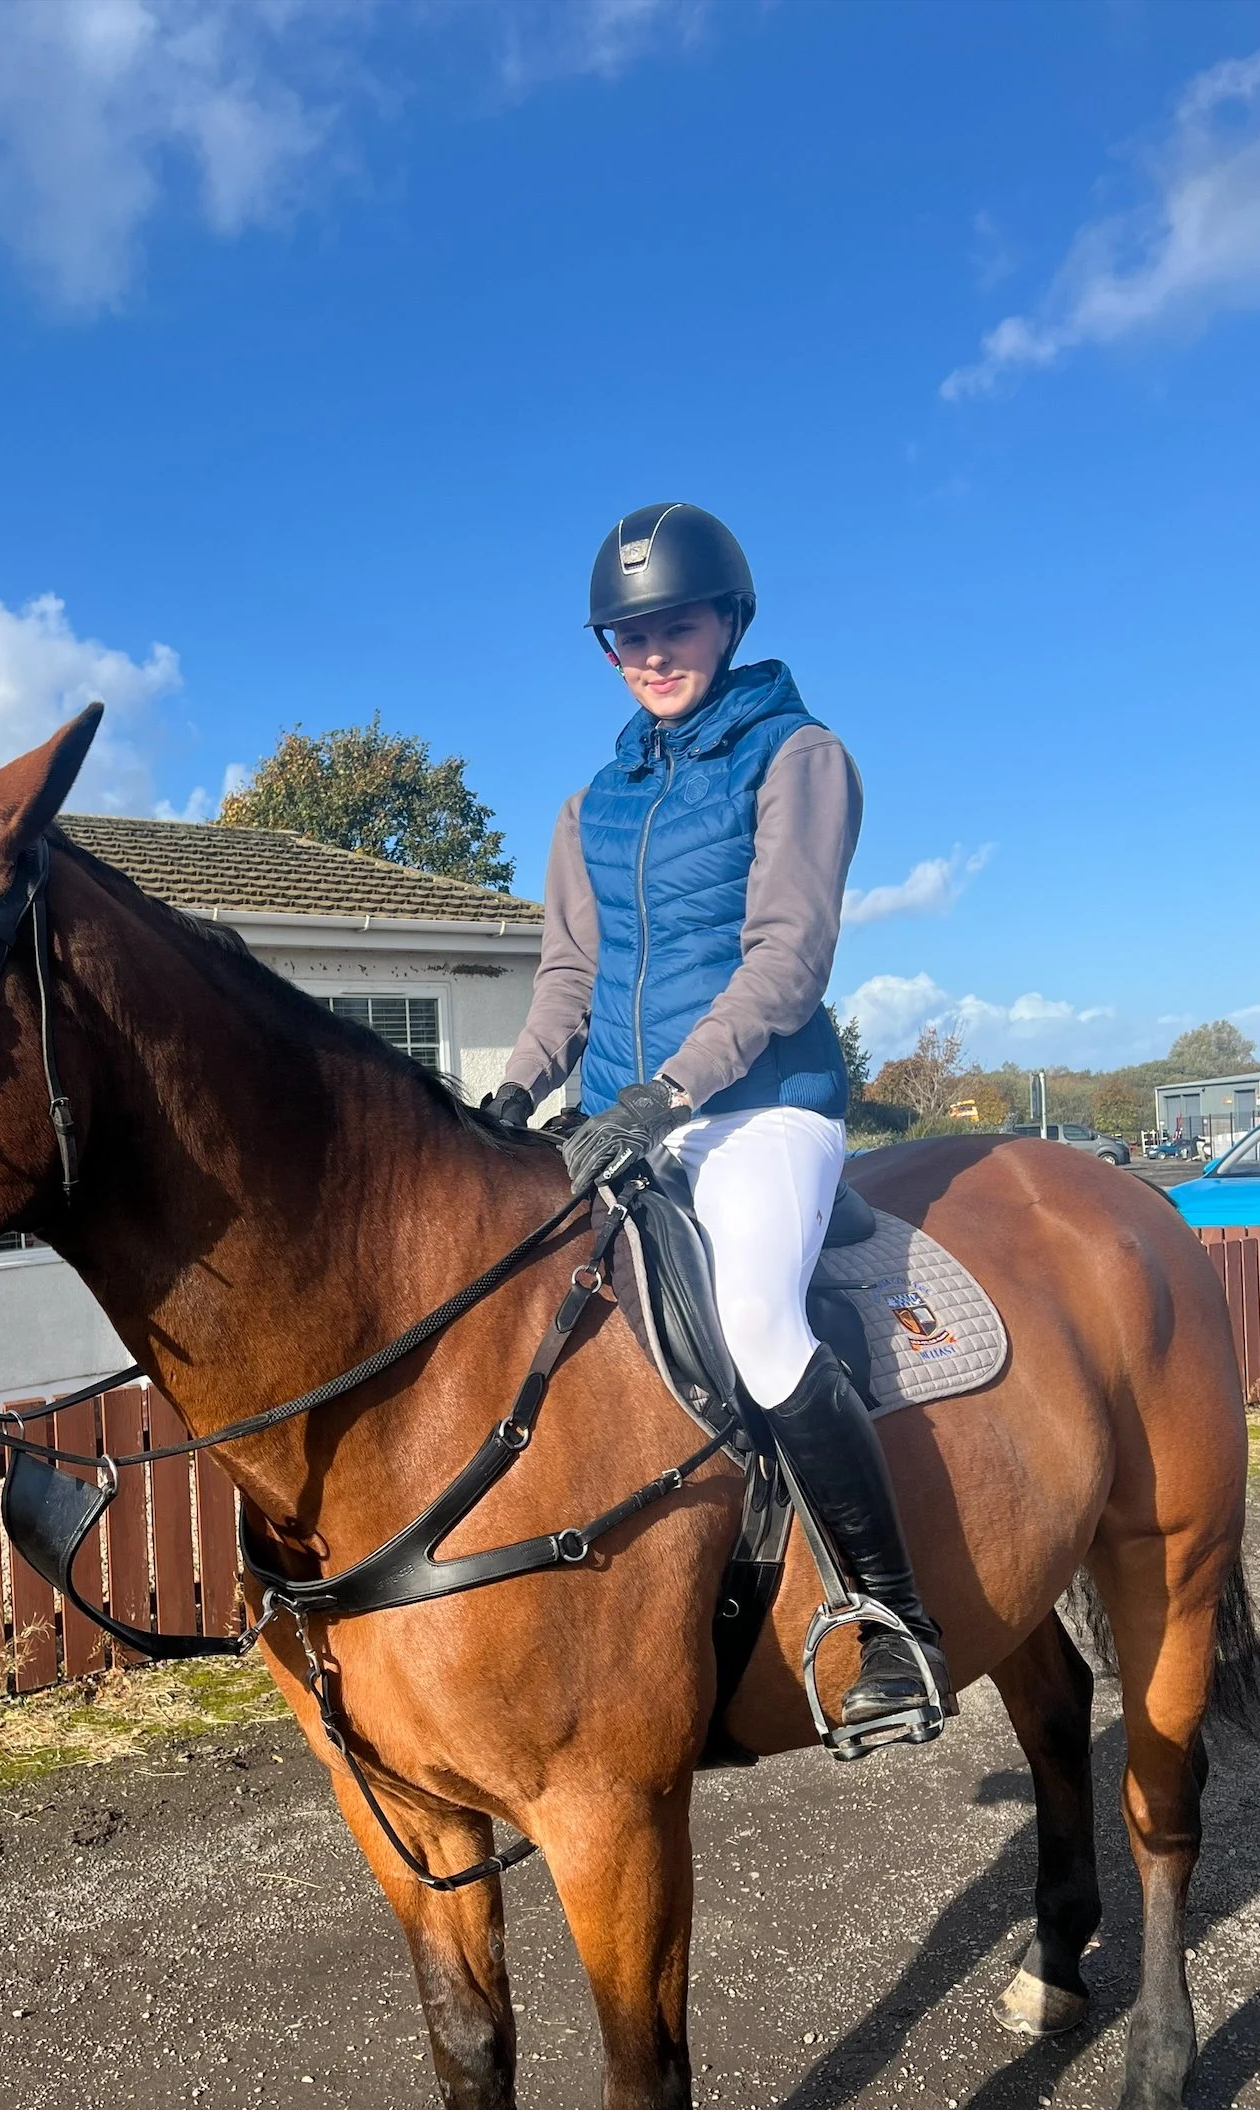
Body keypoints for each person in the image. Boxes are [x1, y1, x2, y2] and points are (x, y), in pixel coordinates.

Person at [488, 501, 949, 1741]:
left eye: (674, 625)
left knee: (753, 1324)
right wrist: (508, 1092)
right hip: (620, 1121)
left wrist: (670, 1089)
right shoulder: (590, 805)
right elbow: (569, 984)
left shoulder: (798, 755)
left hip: (757, 1112)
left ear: (730, 619)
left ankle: (894, 1614)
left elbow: (786, 959)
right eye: (625, 636)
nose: (651, 653)